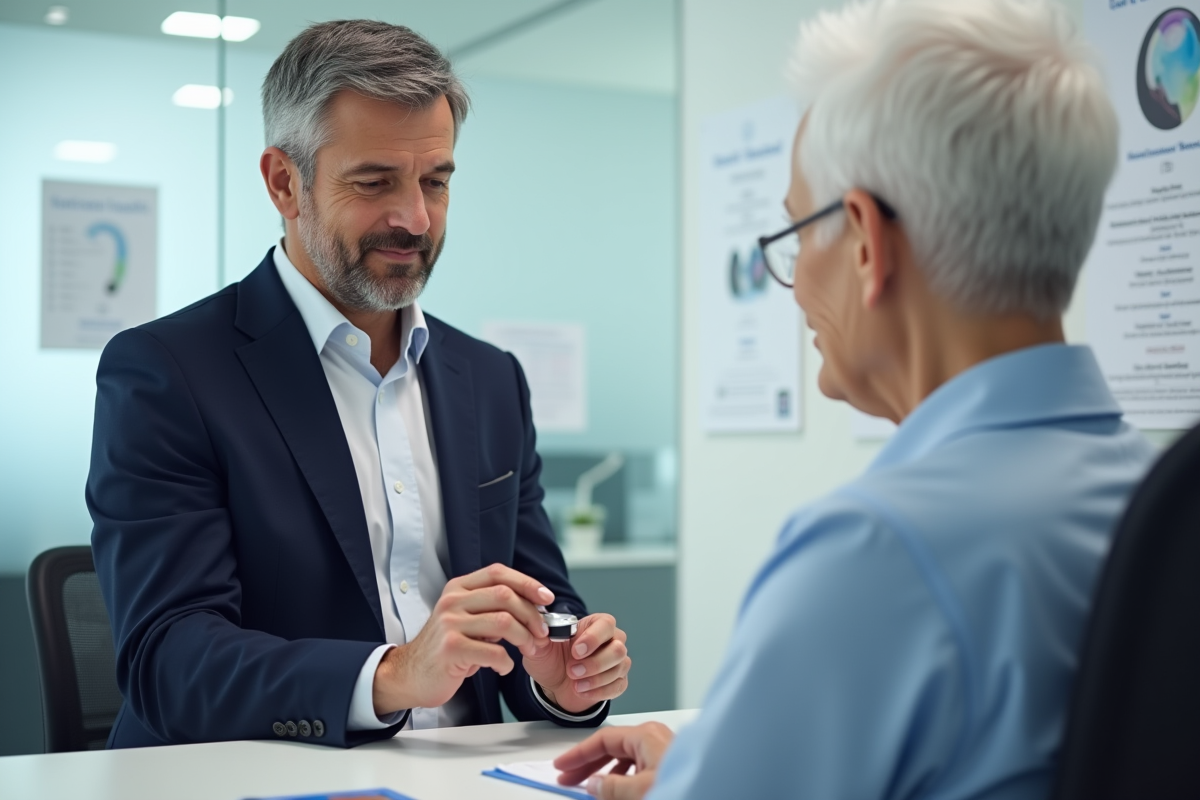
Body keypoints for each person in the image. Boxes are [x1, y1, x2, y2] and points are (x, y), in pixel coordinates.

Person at [553, 0, 1155, 797]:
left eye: (799, 234)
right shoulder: (1153, 497)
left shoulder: (877, 550)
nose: (797, 280)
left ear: (867, 242)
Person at [87, 20, 630, 749]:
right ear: (285, 182)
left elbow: (535, 600)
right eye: (374, 183)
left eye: (435, 182)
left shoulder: (490, 378)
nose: (414, 218)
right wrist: (394, 675)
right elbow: (169, 658)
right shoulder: (167, 371)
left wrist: (557, 677)